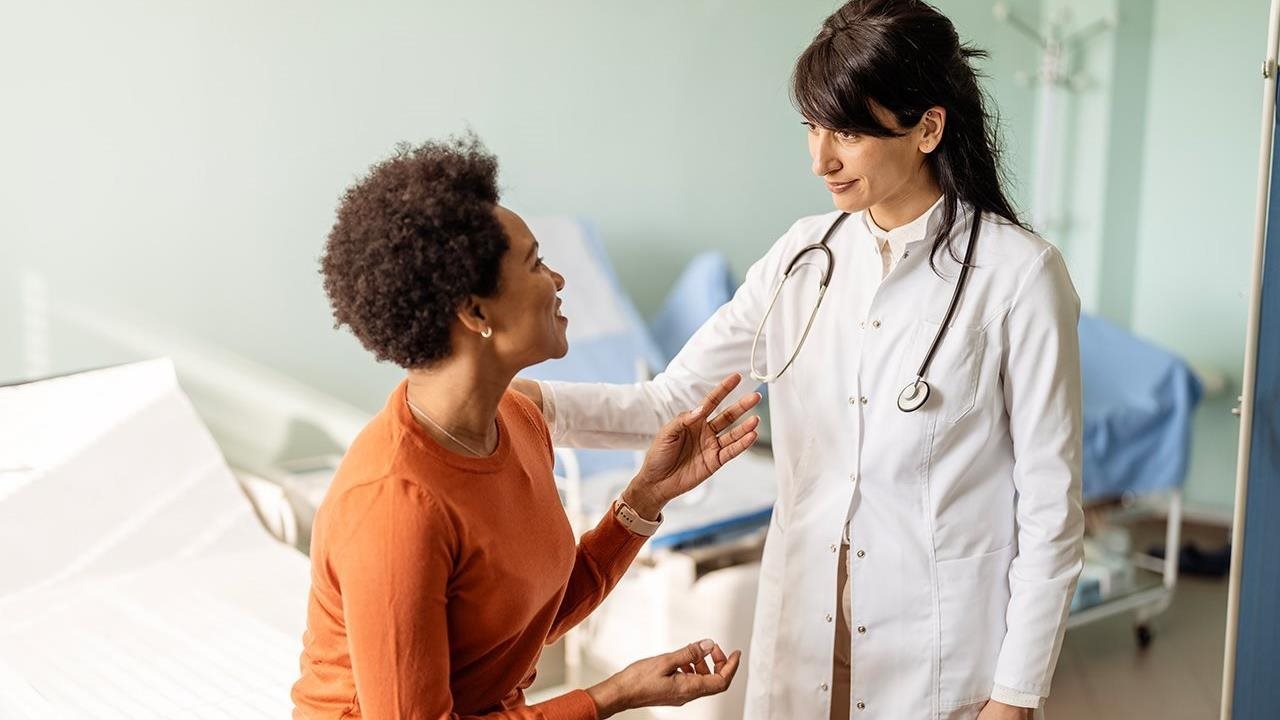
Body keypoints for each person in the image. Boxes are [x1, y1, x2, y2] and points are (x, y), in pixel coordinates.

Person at [512, 1, 1085, 718]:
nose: (821, 159)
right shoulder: (802, 258)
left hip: (938, 648)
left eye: (848, 131)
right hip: (805, 634)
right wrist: (529, 403)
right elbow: (671, 403)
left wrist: (1015, 694)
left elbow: (1051, 507)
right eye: (813, 127)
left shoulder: (1019, 276)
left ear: (928, 128)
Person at [291, 136, 761, 719]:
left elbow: (519, 628)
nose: (558, 279)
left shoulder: (516, 418)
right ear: (475, 312)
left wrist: (647, 496)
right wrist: (612, 696)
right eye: (536, 263)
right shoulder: (394, 505)